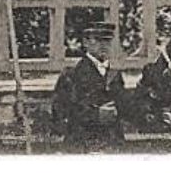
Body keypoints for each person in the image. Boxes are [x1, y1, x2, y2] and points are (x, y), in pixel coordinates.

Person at [50, 21, 129, 149]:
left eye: (107, 41)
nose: (103, 45)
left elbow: (123, 107)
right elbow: (61, 113)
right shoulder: (72, 75)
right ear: (86, 43)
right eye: (97, 40)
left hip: (112, 143)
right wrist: (96, 114)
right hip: (82, 143)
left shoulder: (115, 75)